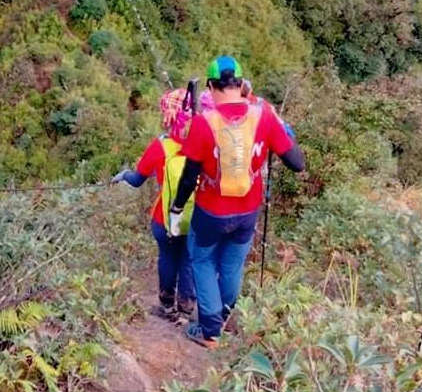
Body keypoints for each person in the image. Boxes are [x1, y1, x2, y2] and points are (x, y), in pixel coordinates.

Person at [169, 56, 304, 347]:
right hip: (248, 211)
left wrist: (177, 207)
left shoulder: (204, 123)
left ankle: (210, 331)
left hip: (211, 211)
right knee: (232, 265)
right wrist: (283, 131)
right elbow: (297, 163)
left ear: (211, 87)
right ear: (241, 85)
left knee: (202, 260)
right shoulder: (263, 115)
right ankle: (224, 319)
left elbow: (189, 175)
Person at [112, 87, 196, 321]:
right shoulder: (205, 142)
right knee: (189, 259)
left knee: (168, 257)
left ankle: (167, 305)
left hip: (165, 216)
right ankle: (186, 310)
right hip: (197, 215)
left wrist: (123, 175)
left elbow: (137, 179)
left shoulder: (161, 146)